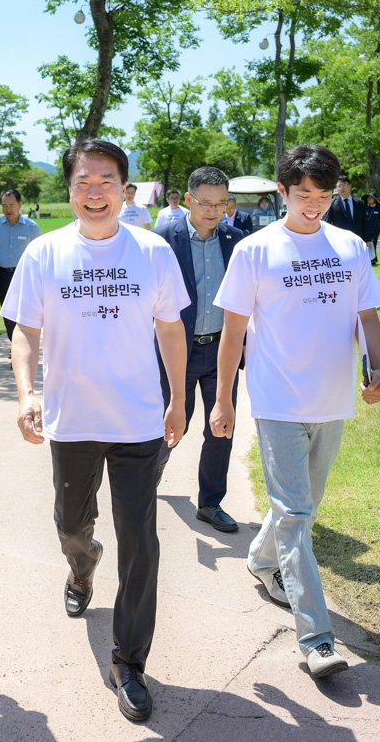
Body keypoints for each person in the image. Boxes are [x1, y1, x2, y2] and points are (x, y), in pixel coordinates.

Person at [1, 137, 188, 723]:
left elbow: (171, 331)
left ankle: (128, 661)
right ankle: (82, 565)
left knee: (142, 545)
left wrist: (179, 399)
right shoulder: (44, 253)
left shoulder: (153, 251)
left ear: (124, 188)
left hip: (137, 422)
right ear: (70, 188)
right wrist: (27, 393)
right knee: (71, 524)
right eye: (84, 181)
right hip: (72, 420)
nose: (95, 191)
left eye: (106, 180)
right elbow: (25, 331)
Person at [209, 144, 380, 681]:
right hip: (278, 400)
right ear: (283, 191)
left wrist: (379, 366)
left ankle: (262, 560)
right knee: (295, 512)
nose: (313, 205)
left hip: (332, 398)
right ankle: (316, 636)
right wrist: (224, 400)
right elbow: (233, 332)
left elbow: (368, 315)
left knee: (300, 508)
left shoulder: (351, 247)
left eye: (324, 195)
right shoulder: (255, 250)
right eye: (303, 194)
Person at [154, 166, 247, 533]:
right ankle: (147, 479)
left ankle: (210, 503)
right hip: (177, 350)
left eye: (220, 204)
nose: (213, 211)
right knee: (173, 423)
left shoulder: (236, 240)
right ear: (188, 200)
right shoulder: (162, 240)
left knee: (221, 427)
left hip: (222, 349)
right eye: (205, 203)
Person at [0, 189, 42, 341]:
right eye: (4, 205)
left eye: (12, 205)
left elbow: (40, 254)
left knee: (24, 313)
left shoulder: (32, 227)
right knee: (8, 314)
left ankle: (22, 346)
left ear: (20, 204)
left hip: (25, 276)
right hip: (3, 276)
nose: (8, 209)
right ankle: (15, 345)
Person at [323, 175, 368, 240]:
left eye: (344, 185)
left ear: (350, 186)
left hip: (357, 239)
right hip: (340, 239)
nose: (341, 188)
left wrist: (368, 239)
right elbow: (327, 223)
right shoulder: (332, 204)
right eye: (339, 186)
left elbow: (364, 223)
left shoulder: (360, 203)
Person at [362, 193, 380, 266]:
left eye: (371, 198)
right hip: (365, 229)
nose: (369, 199)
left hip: (375, 229)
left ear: (375, 200)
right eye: (368, 198)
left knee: (373, 244)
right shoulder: (364, 207)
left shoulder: (379, 209)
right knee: (365, 244)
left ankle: (373, 259)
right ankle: (367, 259)